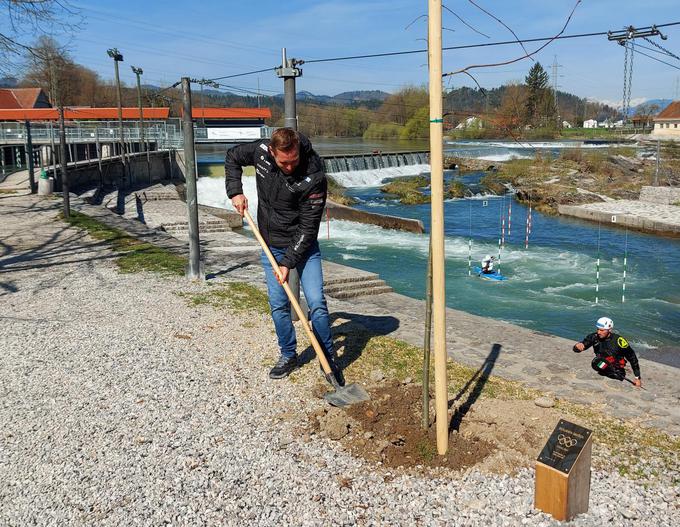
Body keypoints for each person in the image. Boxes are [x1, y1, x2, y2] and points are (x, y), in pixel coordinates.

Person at [225, 128, 343, 384]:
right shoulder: (260, 153)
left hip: (304, 246)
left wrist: (287, 262)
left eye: (294, 160)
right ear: (272, 152)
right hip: (270, 244)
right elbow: (232, 156)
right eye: (283, 162)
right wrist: (235, 191)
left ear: (299, 150)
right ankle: (288, 354)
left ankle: (328, 359)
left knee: (316, 304)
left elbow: (309, 227)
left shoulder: (314, 174)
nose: (290, 166)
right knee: (279, 305)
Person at [572, 317, 642, 387]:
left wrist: (637, 377)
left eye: (602, 330)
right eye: (598, 329)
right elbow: (581, 346)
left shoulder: (619, 341)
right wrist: (577, 347)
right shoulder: (594, 337)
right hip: (601, 367)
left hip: (617, 372)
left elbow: (632, 358)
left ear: (610, 330)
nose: (599, 332)